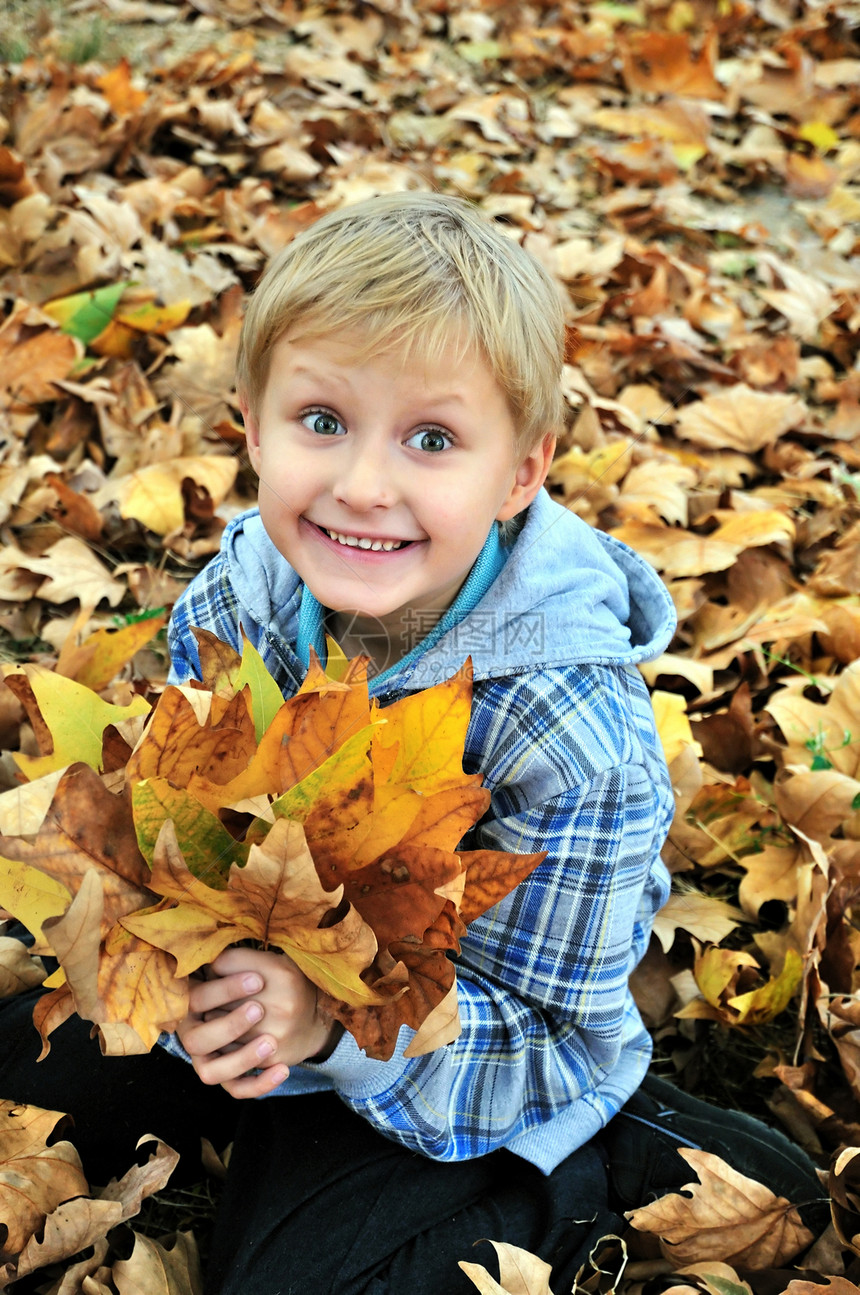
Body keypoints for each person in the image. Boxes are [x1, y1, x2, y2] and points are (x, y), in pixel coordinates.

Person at [0, 192, 826, 1294]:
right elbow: (178, 816)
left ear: (521, 472)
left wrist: (327, 1025)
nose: (363, 485)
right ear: (251, 424)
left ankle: (637, 1153)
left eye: (430, 438)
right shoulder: (245, 590)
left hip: (467, 1056)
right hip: (252, 992)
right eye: (322, 421)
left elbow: (550, 1036)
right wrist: (170, 944)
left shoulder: (567, 724)